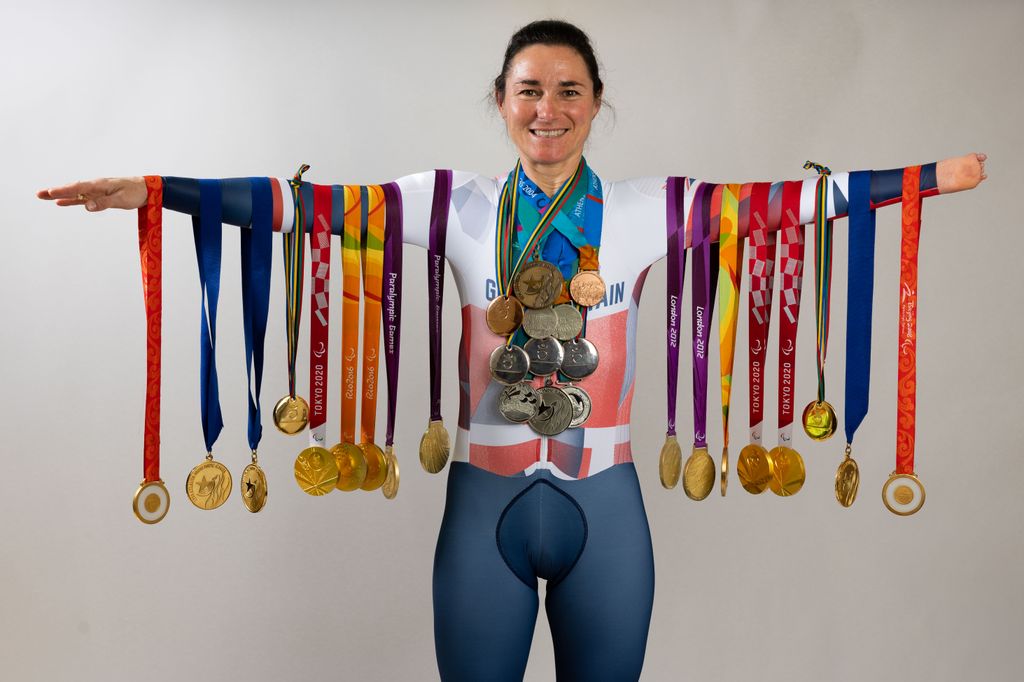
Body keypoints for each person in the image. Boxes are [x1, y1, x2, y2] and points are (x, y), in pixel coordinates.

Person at [38, 19, 986, 682]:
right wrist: (161, 192)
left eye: (569, 91)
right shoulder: (451, 202)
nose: (548, 108)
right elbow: (306, 206)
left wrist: (923, 182)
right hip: (481, 511)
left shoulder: (648, 210)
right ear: (501, 100)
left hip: (605, 511)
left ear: (596, 103)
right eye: (529, 90)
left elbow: (788, 204)